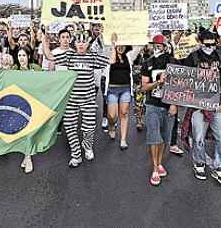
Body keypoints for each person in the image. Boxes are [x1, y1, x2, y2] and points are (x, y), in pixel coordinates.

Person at [41, 30, 111, 167]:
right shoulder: (69, 56)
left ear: (87, 44)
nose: (81, 44)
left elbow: (111, 60)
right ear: (75, 43)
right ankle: (76, 155)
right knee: (69, 126)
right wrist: (44, 39)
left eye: (84, 42)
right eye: (78, 41)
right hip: (71, 99)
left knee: (89, 128)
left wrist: (113, 44)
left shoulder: (93, 57)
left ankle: (87, 146)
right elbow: (49, 56)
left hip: (89, 99)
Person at [181, 30, 221, 185]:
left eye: (212, 44)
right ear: (200, 42)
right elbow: (184, 78)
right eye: (206, 44)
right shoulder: (192, 57)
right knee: (198, 137)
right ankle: (199, 163)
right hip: (198, 105)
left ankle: (220, 166)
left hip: (217, 103)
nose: (210, 47)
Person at [140, 34, 176, 186]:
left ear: (166, 46)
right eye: (154, 44)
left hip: (168, 105)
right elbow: (144, 87)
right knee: (154, 136)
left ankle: (159, 162)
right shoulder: (147, 63)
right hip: (152, 104)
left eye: (160, 44)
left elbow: (179, 86)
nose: (157, 47)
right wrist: (157, 82)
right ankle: (155, 168)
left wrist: (175, 104)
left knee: (164, 138)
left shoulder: (173, 62)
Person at [13, 46, 42, 173]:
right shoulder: (14, 69)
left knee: (29, 132)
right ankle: (26, 155)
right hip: (18, 105)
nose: (21, 58)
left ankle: (28, 157)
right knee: (22, 132)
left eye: (24, 55)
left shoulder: (36, 68)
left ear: (29, 56)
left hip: (33, 104)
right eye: (19, 55)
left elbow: (45, 81)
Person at [105, 42, 135, 150]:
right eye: (119, 46)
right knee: (112, 115)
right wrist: (112, 46)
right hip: (112, 89)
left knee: (124, 113)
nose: (121, 48)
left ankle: (123, 139)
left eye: (123, 45)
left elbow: (140, 44)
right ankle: (112, 126)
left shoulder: (129, 55)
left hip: (125, 88)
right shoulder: (109, 54)